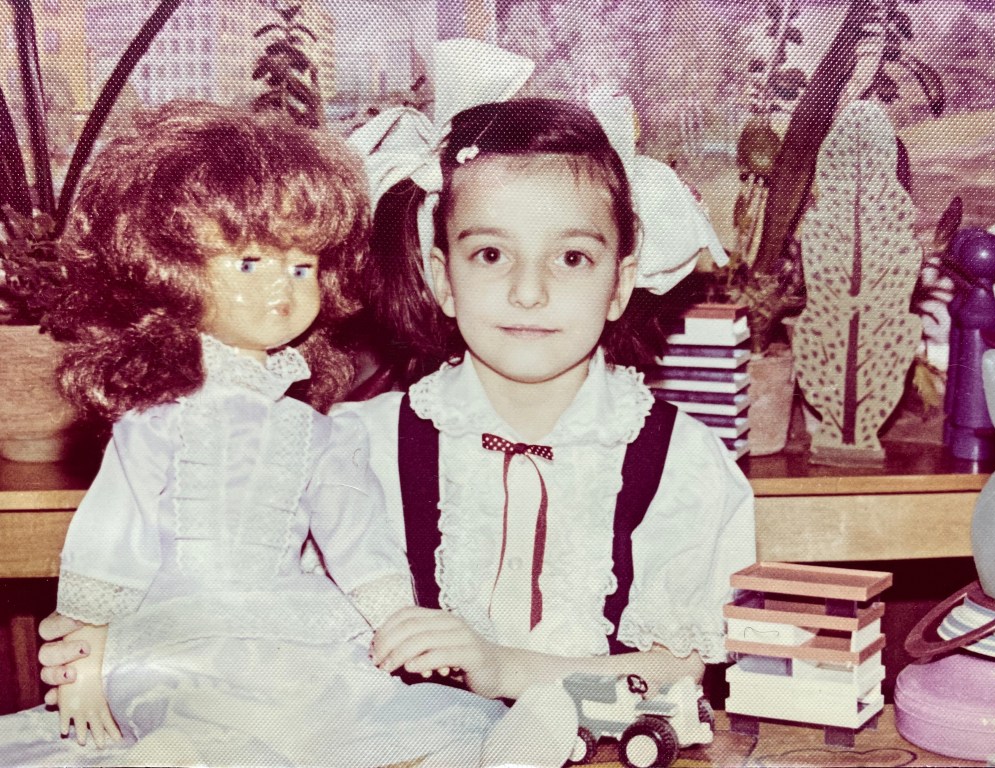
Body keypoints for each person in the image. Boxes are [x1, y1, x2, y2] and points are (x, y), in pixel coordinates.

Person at [5, 100, 571, 768]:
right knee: (205, 713)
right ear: (174, 269)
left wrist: (398, 620)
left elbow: (358, 539)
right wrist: (81, 666)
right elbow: (109, 541)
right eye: (250, 263)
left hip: (290, 626)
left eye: (302, 268)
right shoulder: (159, 420)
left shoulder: (318, 434)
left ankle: (491, 748)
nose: (283, 288)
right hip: (176, 631)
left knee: (361, 711)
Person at [342, 89, 757, 702]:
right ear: (443, 278)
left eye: (571, 257)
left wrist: (501, 667)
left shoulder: (681, 463)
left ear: (619, 285)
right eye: (490, 254)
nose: (529, 291)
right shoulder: (361, 450)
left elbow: (678, 670)